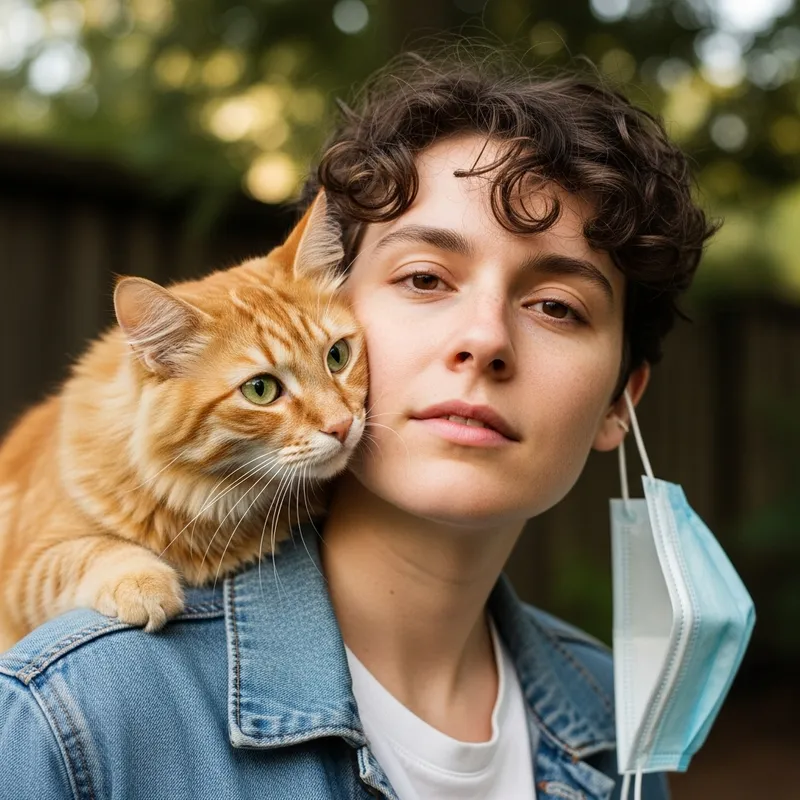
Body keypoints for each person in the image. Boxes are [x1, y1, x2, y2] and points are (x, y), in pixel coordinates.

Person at [0, 49, 713, 800]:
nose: (486, 340)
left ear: (619, 405)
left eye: (557, 306)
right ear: (347, 299)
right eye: (425, 279)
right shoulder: (73, 709)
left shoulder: (623, 714)